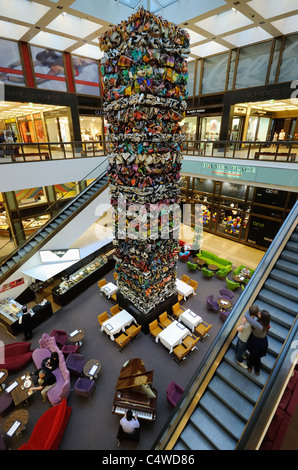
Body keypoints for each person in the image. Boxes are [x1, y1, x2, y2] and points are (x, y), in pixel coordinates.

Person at [245, 309, 271, 376]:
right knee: (257, 356)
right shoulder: (266, 323)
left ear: (261, 317)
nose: (258, 313)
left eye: (260, 313)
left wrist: (250, 309)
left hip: (255, 341)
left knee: (253, 355)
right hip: (262, 341)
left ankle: (250, 366)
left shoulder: (258, 325)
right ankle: (257, 369)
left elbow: (246, 316)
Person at [235, 304, 259, 369]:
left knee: (238, 346)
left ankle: (236, 353)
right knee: (241, 349)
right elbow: (239, 329)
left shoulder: (247, 312)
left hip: (240, 336)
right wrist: (242, 325)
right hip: (243, 338)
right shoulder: (249, 323)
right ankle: (239, 360)